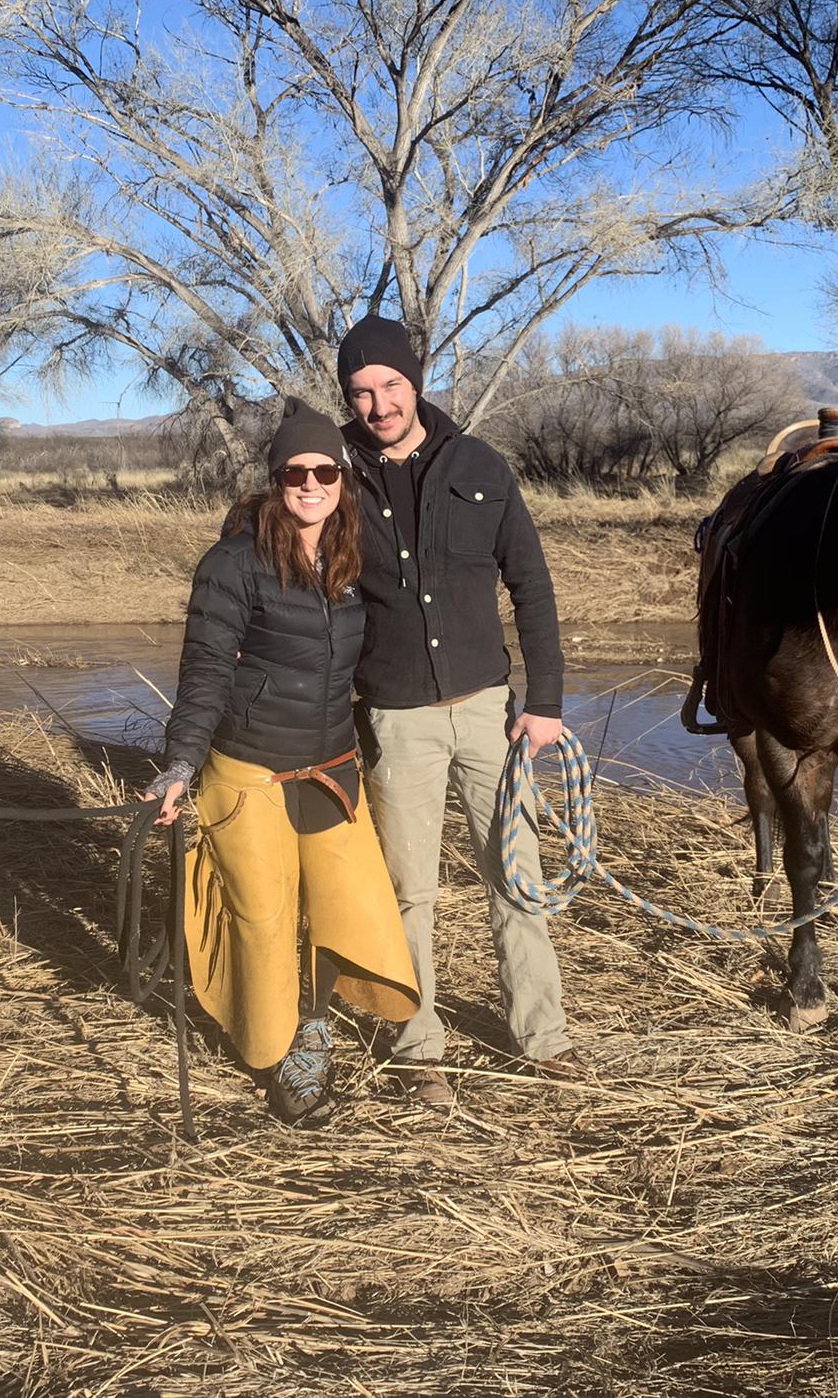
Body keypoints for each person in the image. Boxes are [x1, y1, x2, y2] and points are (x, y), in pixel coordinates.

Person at [141, 398, 418, 1126]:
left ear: (341, 481)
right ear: (275, 480)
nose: (310, 482)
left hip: (330, 767)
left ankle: (315, 1025)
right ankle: (273, 1057)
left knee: (342, 905)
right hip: (250, 771)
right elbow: (203, 668)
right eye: (295, 471)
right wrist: (178, 766)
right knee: (262, 921)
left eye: (325, 469)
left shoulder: (354, 559)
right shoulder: (233, 562)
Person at [335, 313, 578, 1106]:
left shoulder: (479, 464)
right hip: (395, 716)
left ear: (416, 382)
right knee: (408, 893)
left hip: (489, 713)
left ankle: (543, 1040)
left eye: (391, 386)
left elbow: (531, 587)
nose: (379, 405)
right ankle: (418, 1049)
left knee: (517, 877)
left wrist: (544, 702)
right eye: (362, 391)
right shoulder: (332, 476)